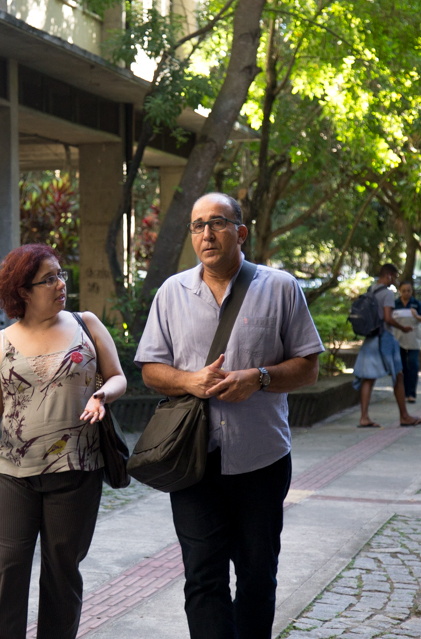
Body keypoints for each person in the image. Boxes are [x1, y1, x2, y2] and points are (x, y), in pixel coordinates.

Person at [134, 193, 325, 639]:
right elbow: (150, 370)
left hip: (261, 459)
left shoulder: (280, 287)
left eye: (216, 223)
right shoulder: (171, 293)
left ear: (240, 232)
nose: (206, 234)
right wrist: (189, 382)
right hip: (193, 461)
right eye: (198, 226)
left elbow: (309, 367)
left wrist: (257, 378)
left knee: (258, 577)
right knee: (203, 577)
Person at [0, 243, 127, 639]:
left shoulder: (85, 324)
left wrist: (101, 395)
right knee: (8, 567)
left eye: (61, 275)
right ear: (23, 290)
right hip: (12, 472)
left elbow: (118, 376)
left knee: (62, 570)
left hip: (75, 469)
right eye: (49, 279)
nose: (60, 285)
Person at [353, 264, 421, 428]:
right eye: (395, 276)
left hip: (370, 339)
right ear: (389, 276)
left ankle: (364, 417)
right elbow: (387, 317)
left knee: (368, 378)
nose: (396, 280)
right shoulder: (387, 293)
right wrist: (402, 328)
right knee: (398, 375)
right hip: (384, 338)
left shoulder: (371, 290)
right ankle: (404, 416)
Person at [392, 282, 421, 403]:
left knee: (412, 364)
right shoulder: (395, 304)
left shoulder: (416, 304)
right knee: (401, 367)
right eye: (404, 291)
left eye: (409, 290)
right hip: (398, 340)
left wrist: (416, 316)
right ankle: (402, 392)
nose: (406, 293)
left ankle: (411, 393)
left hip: (413, 340)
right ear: (400, 291)